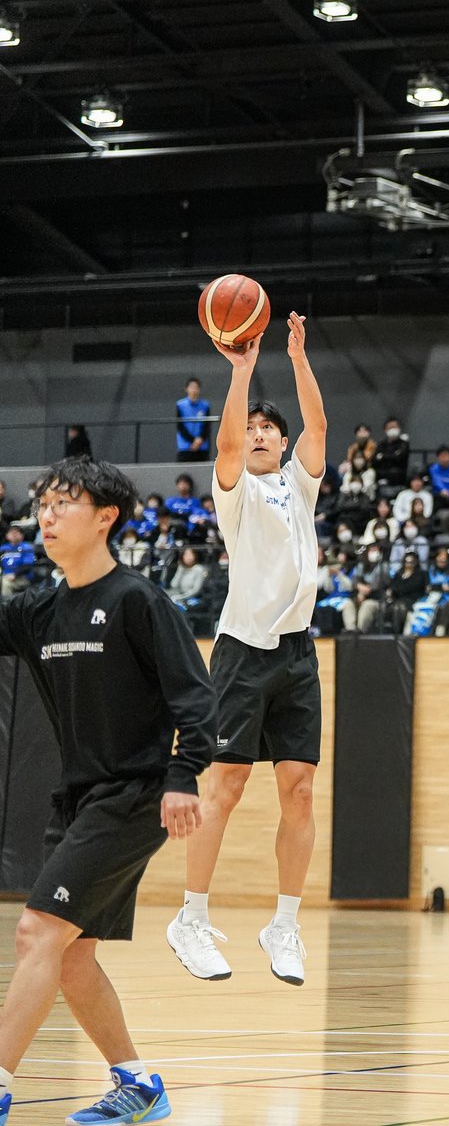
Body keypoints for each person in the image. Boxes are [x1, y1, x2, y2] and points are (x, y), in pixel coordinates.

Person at [0, 457, 217, 1126]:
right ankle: (137, 1083)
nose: (47, 516)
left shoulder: (137, 602)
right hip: (77, 801)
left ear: (105, 518)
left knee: (37, 931)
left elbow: (198, 700)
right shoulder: (41, 611)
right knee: (69, 958)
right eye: (41, 506)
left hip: (135, 795)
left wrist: (183, 779)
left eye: (63, 503)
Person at [168, 309, 328, 988]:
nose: (259, 435)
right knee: (226, 787)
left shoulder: (299, 483)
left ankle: (283, 923)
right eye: (253, 429)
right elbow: (228, 445)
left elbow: (317, 429)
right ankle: (191, 917)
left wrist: (295, 358)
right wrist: (240, 375)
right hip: (240, 650)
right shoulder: (234, 492)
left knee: (299, 791)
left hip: (296, 655)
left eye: (270, 429)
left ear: (284, 445)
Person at [176, 377, 212, 463]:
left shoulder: (205, 405)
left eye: (196, 387)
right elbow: (180, 426)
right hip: (185, 447)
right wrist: (193, 440)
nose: (194, 390)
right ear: (186, 389)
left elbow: (207, 426)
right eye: (191, 387)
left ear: (199, 389)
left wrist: (199, 440)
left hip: (202, 447)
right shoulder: (180, 405)